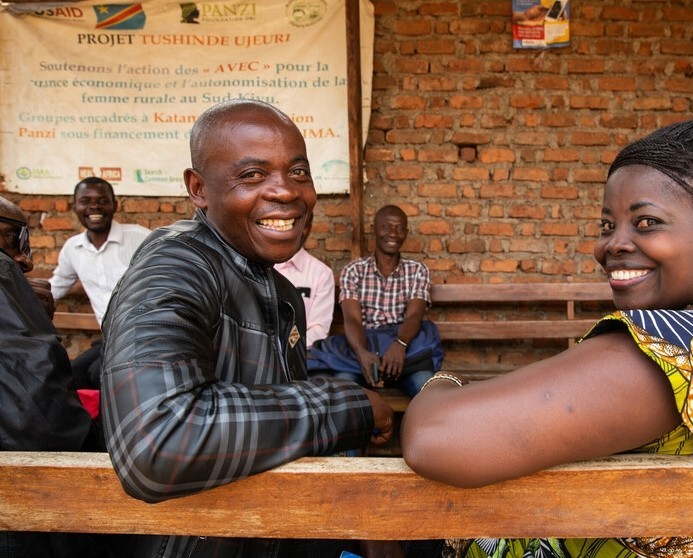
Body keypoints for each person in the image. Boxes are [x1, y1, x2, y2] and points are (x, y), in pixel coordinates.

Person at [401, 107, 693, 558]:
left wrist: (441, 381)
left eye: (647, 223)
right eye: (608, 225)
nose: (611, 244)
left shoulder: (680, 347)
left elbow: (435, 437)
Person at [100, 99, 395, 558]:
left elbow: (276, 428)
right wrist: (350, 406)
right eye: (253, 175)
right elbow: (158, 442)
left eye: (298, 172)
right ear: (198, 188)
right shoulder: (175, 266)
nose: (286, 192)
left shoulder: (277, 289)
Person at [0, 195, 107, 558]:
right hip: (19, 496)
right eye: (16, 240)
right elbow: (38, 410)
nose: (25, 261)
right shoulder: (2, 272)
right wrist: (95, 462)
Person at [309, 205, 442, 397]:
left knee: (427, 390)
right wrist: (362, 353)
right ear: (374, 229)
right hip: (363, 349)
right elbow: (352, 320)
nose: (393, 233)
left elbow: (415, 314)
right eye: (386, 227)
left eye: (399, 228)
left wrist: (400, 345)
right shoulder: (354, 271)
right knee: (343, 390)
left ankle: (416, 428)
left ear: (406, 232)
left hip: (405, 349)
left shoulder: (417, 271)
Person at [49, 177, 151, 389]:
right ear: (74, 206)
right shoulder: (73, 248)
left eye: (102, 200)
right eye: (85, 201)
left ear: (115, 205)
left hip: (145, 337)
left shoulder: (141, 238)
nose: (94, 206)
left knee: (99, 376)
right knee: (73, 375)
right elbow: (56, 287)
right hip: (111, 339)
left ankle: (115, 422)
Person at [274, 212, 335, 350]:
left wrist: (287, 344)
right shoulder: (262, 266)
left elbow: (318, 329)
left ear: (310, 228)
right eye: (291, 224)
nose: (297, 231)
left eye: (304, 225)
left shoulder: (321, 274)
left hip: (300, 355)